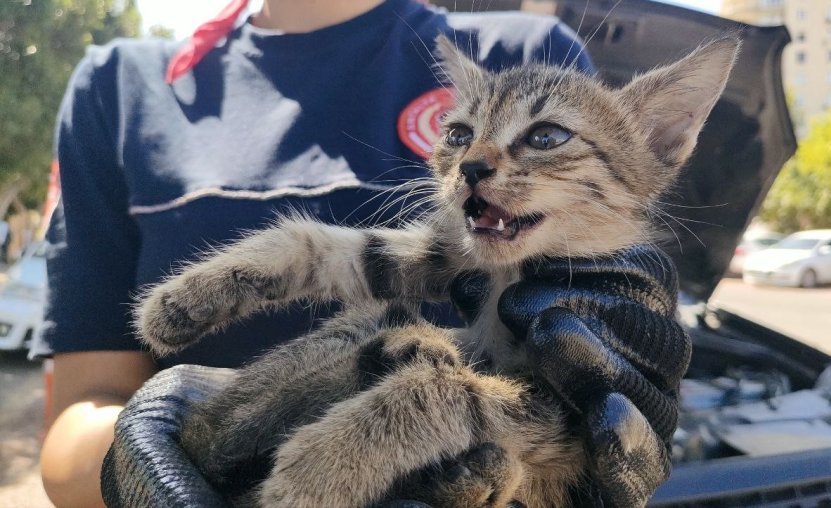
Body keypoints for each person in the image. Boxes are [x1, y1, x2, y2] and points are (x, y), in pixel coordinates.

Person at [39, 0, 689, 506]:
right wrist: (167, 447)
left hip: (502, 452)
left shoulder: (530, 48)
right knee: (377, 338)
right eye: (458, 134)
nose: (476, 160)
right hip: (241, 450)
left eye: (542, 135)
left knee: (412, 355)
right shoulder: (118, 86)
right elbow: (70, 431)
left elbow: (576, 441)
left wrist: (424, 409)